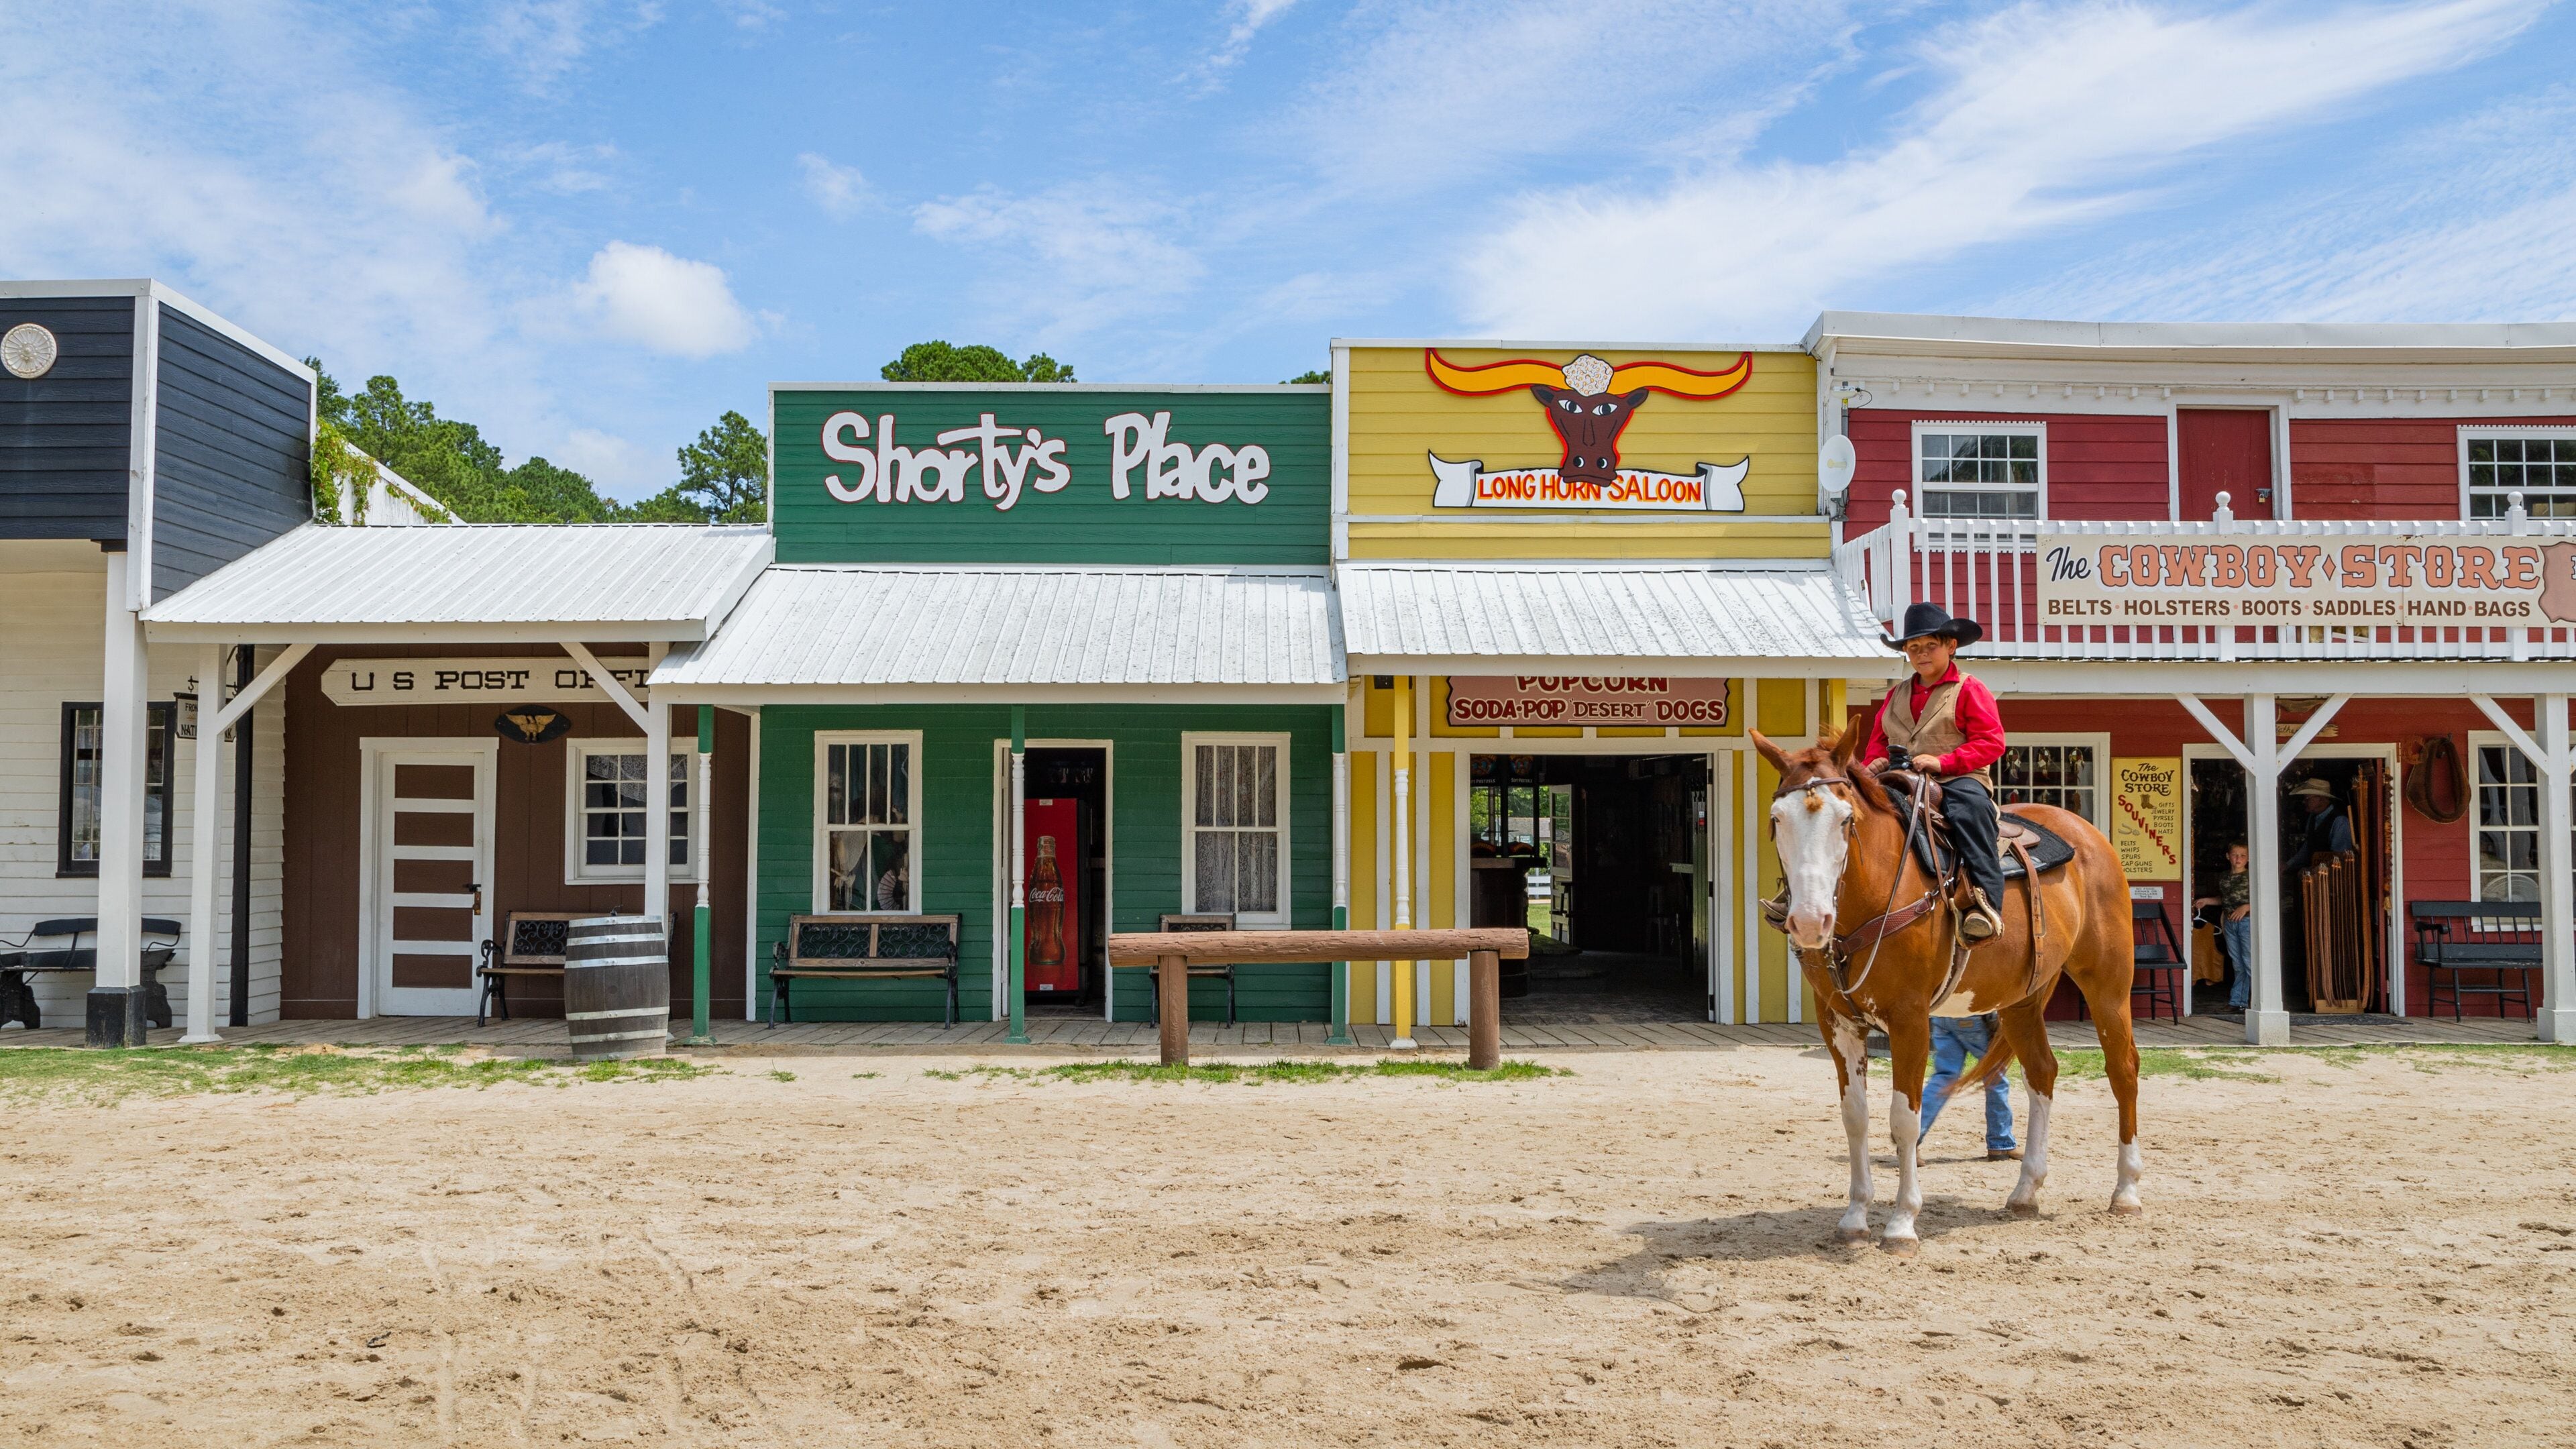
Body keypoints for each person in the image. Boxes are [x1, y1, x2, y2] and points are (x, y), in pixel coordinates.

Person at [1862, 602, 2008, 941]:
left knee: (1970, 813)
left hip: (1958, 780)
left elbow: (1991, 742)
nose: (1921, 654)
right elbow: (1878, 741)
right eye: (1914, 648)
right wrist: (1876, 761)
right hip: (1899, 778)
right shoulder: (1894, 695)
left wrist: (1943, 762)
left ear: (1950, 646)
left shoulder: (1970, 689)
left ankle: (1986, 905)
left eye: (1930, 645)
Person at [1920, 1012, 2018, 1159]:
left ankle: (1912, 1137)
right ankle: (2000, 1144)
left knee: (1944, 1077)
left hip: (1942, 1016)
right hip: (1974, 1018)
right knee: (1995, 1079)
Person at [2194, 841, 2253, 1012]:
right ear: (2228, 857)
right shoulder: (2224, 877)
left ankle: (2259, 1001)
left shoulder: (2252, 876)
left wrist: (2246, 907)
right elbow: (2224, 900)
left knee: (2249, 962)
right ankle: (2238, 1001)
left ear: (2248, 858)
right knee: (2237, 963)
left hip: (2247, 922)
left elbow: (2265, 898)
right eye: (2235, 855)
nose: (2238, 859)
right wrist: (2207, 901)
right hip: (2229, 923)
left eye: (2243, 856)